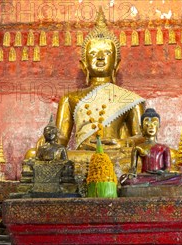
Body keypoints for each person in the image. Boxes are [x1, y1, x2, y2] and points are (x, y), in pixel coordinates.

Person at [53, 8, 145, 151]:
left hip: (115, 155)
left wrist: (123, 143)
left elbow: (142, 137)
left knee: (138, 161)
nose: (100, 57)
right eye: (93, 53)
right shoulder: (70, 99)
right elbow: (61, 140)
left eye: (107, 52)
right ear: (84, 65)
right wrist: (48, 143)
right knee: (36, 155)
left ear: (117, 64)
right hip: (82, 155)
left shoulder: (130, 99)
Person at [119, 108, 182, 186]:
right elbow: (133, 169)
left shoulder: (164, 148)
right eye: (147, 123)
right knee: (124, 179)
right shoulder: (138, 148)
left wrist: (162, 172)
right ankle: (153, 184)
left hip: (160, 176)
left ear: (158, 126)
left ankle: (149, 184)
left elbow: (167, 169)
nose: (151, 126)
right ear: (141, 127)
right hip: (144, 176)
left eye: (154, 123)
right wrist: (131, 173)